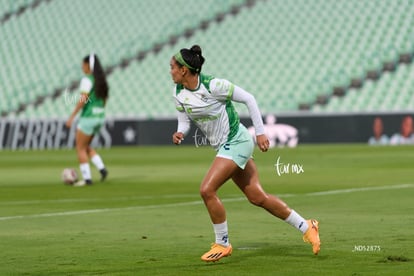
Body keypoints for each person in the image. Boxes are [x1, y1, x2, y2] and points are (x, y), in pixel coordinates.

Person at [170, 45, 320, 262]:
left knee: (207, 189)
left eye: (172, 67)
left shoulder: (213, 85)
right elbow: (184, 122)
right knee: (258, 197)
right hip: (225, 147)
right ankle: (307, 226)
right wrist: (179, 133)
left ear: (184, 70)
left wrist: (260, 133)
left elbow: (249, 99)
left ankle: (222, 243)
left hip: (236, 141)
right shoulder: (178, 93)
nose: (170, 71)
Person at [66, 53, 109, 186]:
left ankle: (87, 179)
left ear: (88, 65)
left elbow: (83, 99)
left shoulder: (87, 79)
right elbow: (104, 99)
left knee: (79, 148)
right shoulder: (100, 80)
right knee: (86, 146)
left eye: (83, 64)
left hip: (88, 118)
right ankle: (102, 169)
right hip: (100, 117)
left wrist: (72, 116)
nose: (81, 67)